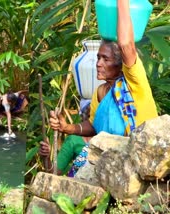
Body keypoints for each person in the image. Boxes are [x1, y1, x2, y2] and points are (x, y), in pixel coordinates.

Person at [40, 0, 158, 175]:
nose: (98, 64)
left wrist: (122, 3)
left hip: (139, 152)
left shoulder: (134, 81)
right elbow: (94, 127)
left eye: (106, 59)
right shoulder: (101, 92)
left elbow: (126, 44)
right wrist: (66, 128)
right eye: (98, 58)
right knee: (74, 142)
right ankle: (57, 177)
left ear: (120, 65)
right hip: (109, 151)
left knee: (91, 154)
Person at [39, 99, 92, 176]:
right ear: (83, 117)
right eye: (90, 116)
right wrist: (46, 157)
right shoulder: (73, 140)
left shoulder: (110, 139)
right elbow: (55, 172)